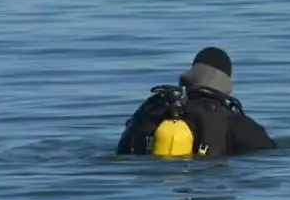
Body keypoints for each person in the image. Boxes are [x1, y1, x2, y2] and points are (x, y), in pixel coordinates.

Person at [117, 46, 277, 157]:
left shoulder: (153, 107)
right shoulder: (234, 121)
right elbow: (269, 154)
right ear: (226, 83)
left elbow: (123, 148)